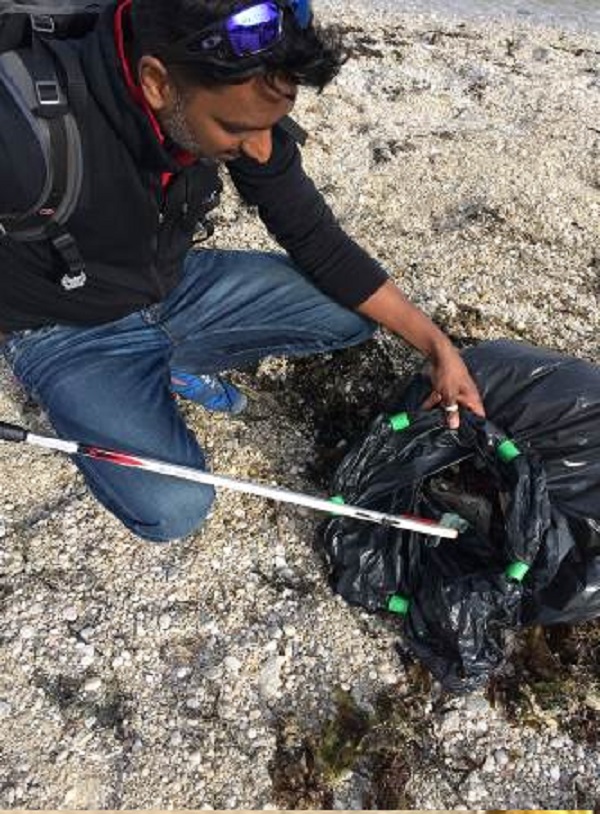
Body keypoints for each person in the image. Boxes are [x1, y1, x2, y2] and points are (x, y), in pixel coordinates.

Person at [0, 0, 484, 542]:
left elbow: (314, 236)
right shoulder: (23, 129)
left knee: (349, 315)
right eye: (236, 129)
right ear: (157, 83)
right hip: (63, 328)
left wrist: (437, 345)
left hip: (169, 284)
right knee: (175, 508)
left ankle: (171, 362)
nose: (260, 148)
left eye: (272, 124)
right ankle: (96, 379)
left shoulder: (240, 103)